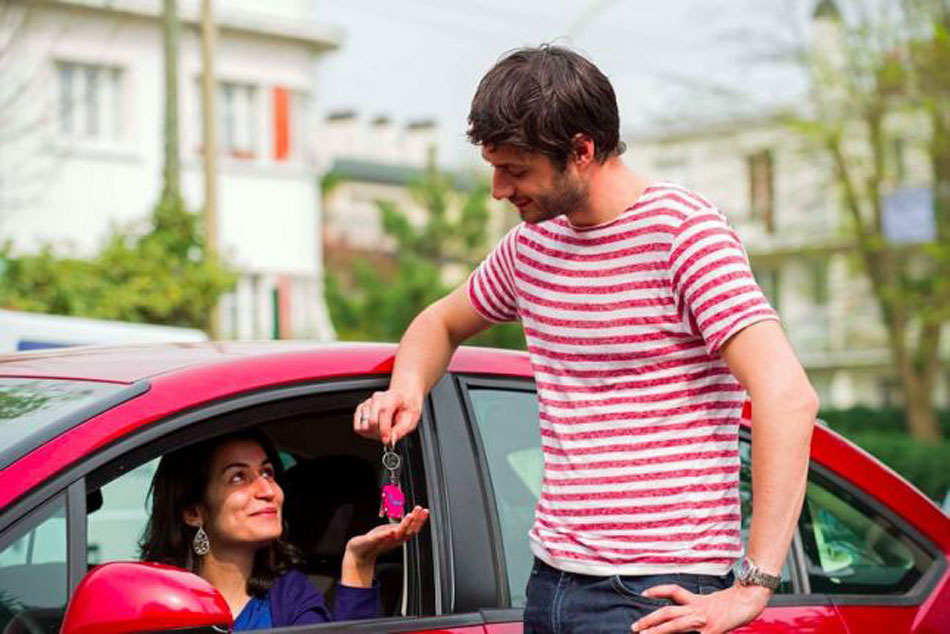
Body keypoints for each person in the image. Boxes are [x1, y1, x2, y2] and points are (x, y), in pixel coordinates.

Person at [353, 45, 818, 634]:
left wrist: (753, 585)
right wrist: (408, 389)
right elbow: (438, 322)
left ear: (581, 150)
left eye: (516, 170)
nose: (499, 189)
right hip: (551, 582)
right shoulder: (531, 249)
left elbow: (787, 396)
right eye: (493, 167)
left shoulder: (684, 235)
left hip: (659, 592)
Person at [140, 429, 429, 631]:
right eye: (238, 477)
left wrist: (358, 562)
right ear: (193, 512)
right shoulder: (151, 601)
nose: (267, 490)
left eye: (268, 473)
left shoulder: (289, 595)